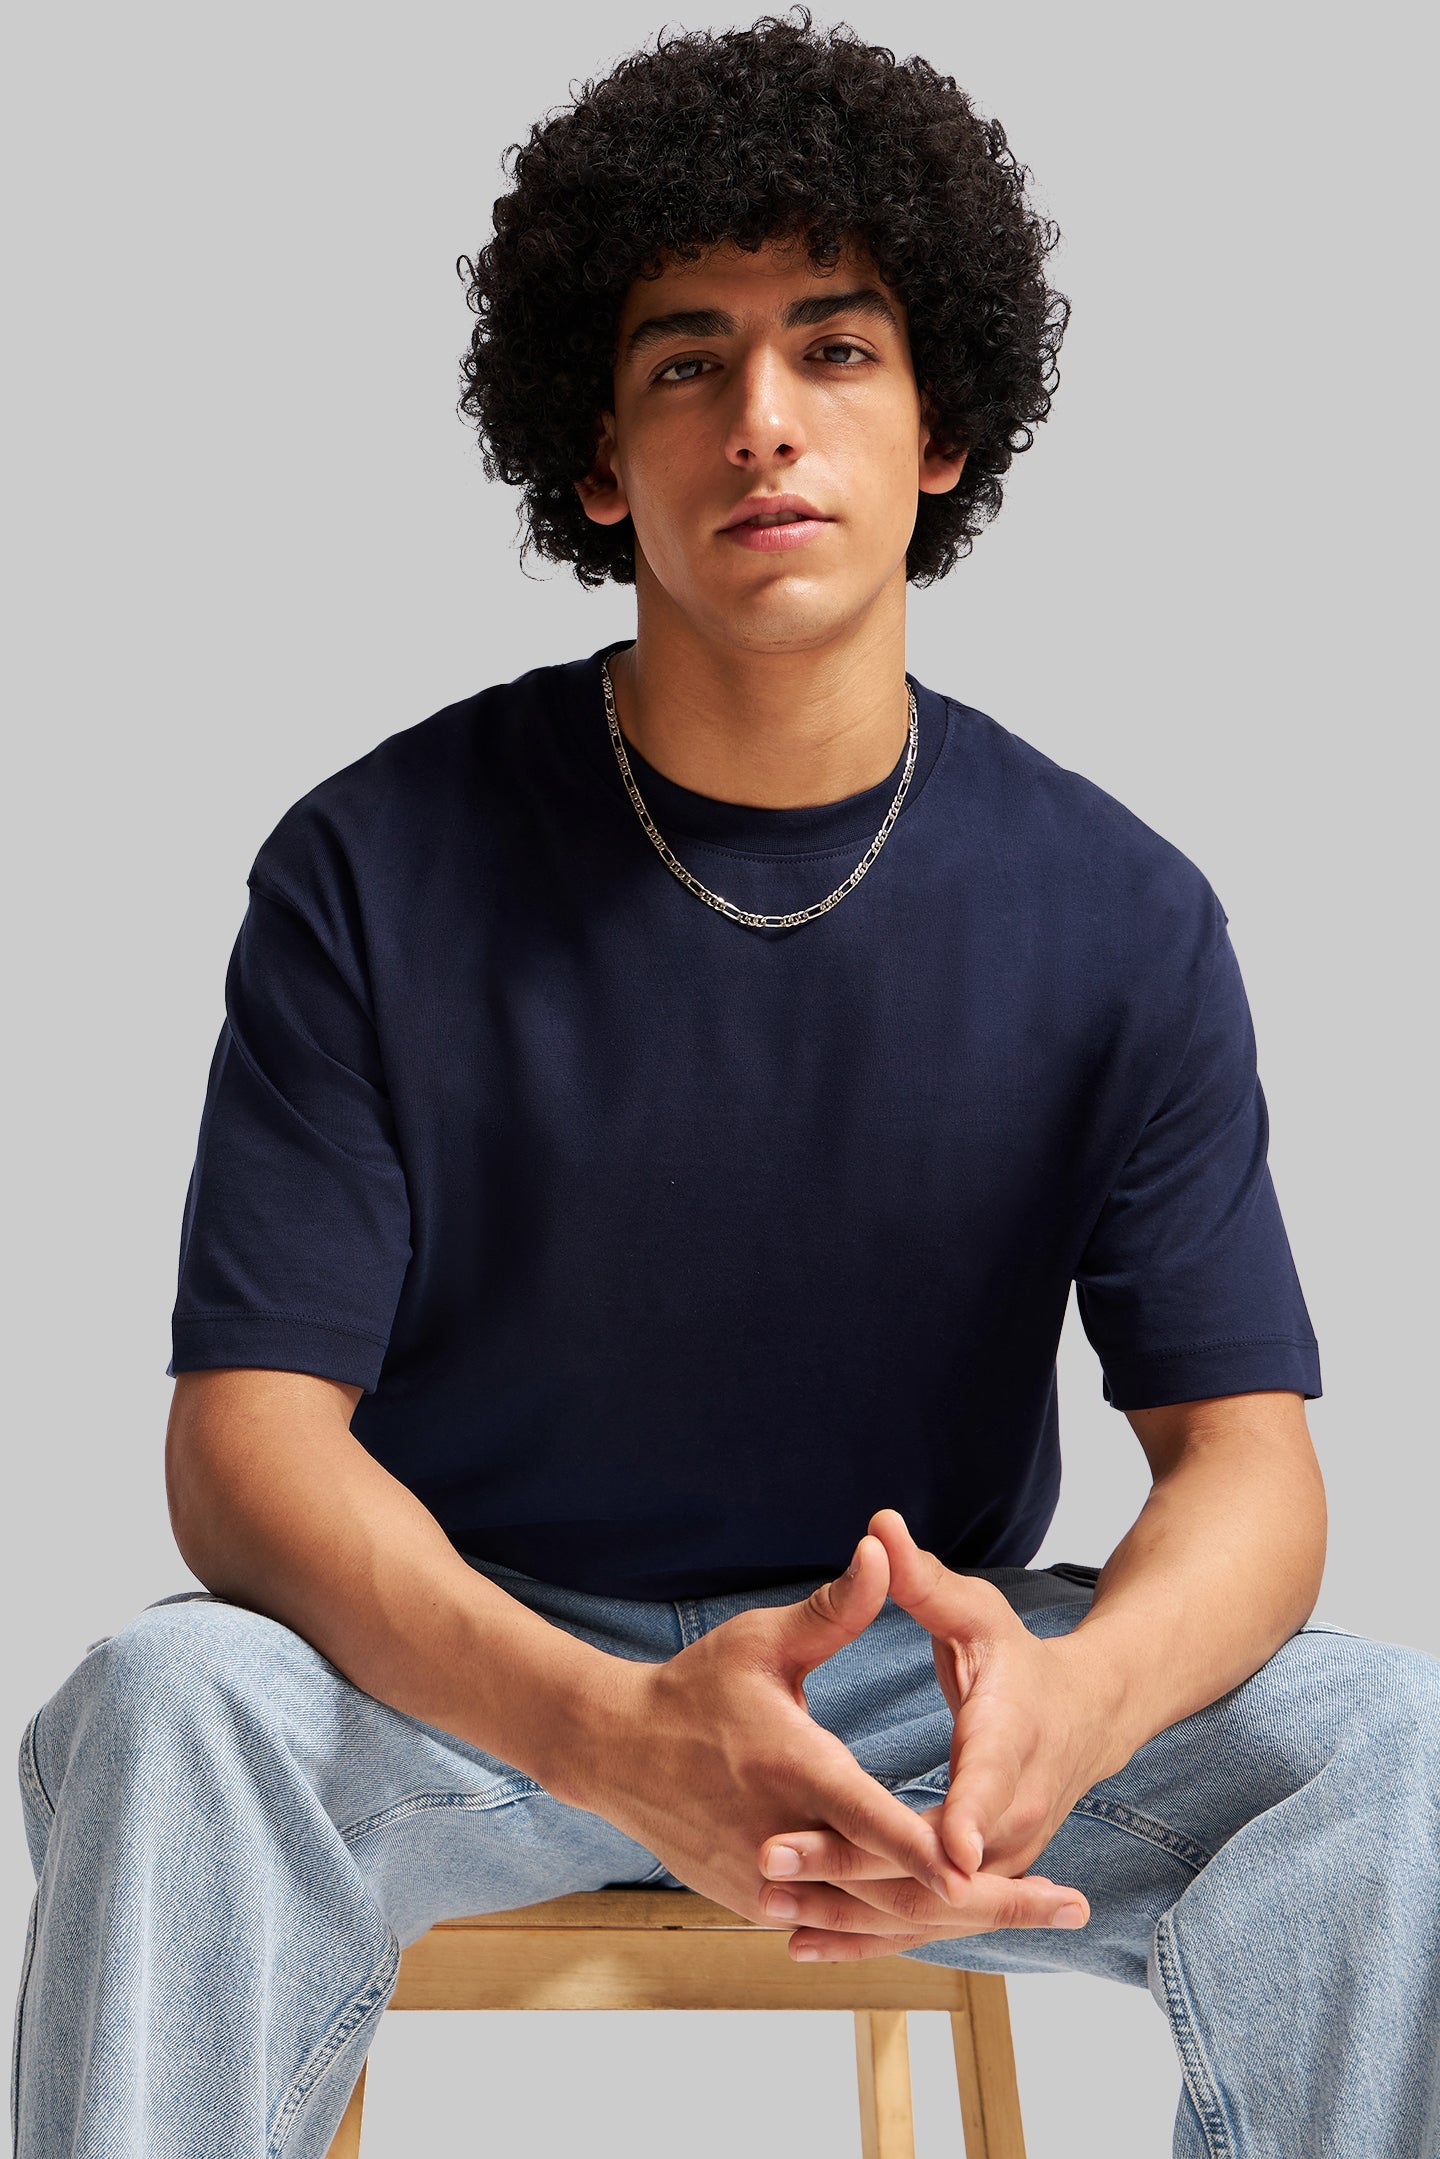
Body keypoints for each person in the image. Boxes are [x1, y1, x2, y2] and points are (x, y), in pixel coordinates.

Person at [13, 12, 1440, 2157]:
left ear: (944, 427)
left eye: (835, 349)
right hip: (468, 1676)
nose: (764, 417)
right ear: (599, 460)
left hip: (923, 1705)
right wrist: (608, 1730)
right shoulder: (371, 866)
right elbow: (244, 1453)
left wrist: (1077, 1699)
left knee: (1397, 1745)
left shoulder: (1122, 914)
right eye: (688, 362)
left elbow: (1250, 1464)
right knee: (168, 1702)